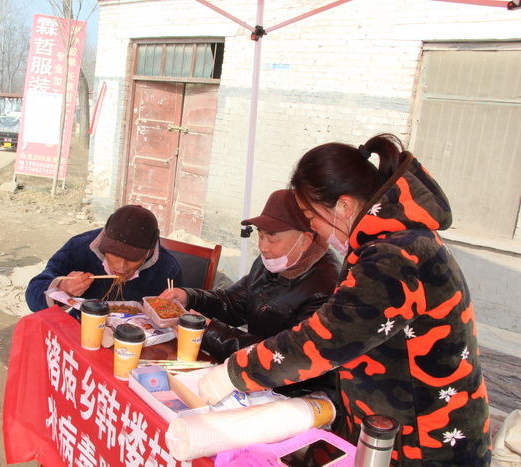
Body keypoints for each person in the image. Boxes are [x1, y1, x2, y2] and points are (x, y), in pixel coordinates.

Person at [197, 134, 491, 465]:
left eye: (311, 217)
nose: (315, 230)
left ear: (345, 207)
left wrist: (234, 373)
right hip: (388, 426)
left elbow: (325, 339)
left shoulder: (395, 257)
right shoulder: (392, 243)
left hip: (428, 444)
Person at [161, 189, 340, 367]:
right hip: (252, 372)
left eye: (272, 239)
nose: (263, 247)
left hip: (293, 387)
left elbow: (286, 357)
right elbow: (232, 303)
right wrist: (190, 298)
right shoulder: (271, 261)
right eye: (260, 235)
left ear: (304, 241)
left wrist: (210, 334)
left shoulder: (326, 287)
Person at [25, 204, 184, 313]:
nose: (121, 266)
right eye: (114, 253)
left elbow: (176, 314)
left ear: (149, 252)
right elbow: (33, 296)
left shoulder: (167, 268)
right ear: (104, 240)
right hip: (82, 329)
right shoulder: (80, 248)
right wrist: (62, 289)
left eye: (132, 258)